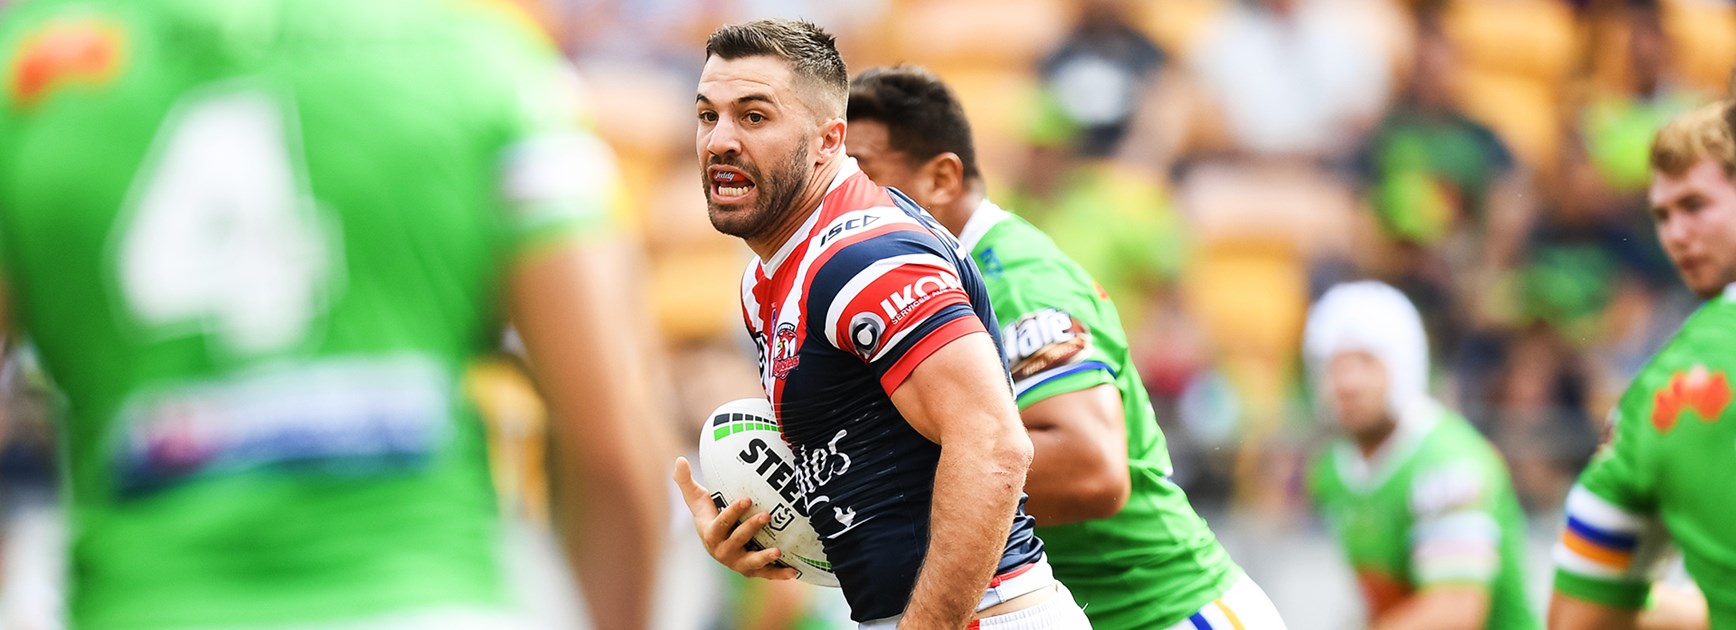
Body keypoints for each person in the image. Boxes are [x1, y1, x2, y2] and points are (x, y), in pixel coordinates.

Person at [0, 1, 668, 628]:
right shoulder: (483, 61)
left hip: (148, 605)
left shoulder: (28, 71)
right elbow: (613, 442)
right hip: (426, 599)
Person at [669, 18, 1088, 629]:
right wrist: (762, 529)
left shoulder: (866, 258)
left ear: (828, 139)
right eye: (708, 116)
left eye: (754, 117)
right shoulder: (767, 279)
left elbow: (995, 447)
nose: (720, 141)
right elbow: (865, 460)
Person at [842, 64, 1285, 630]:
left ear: (942, 179)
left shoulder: (1016, 281)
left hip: (1169, 613)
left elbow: (1090, 468)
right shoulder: (913, 284)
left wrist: (888, 483)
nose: (845, 200)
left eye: (863, 173)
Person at [1547, 102, 1736, 629]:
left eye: (1695, 205)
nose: (1676, 234)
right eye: (1662, 216)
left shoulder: (1662, 391)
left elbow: (1578, 618)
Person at [1303, 281, 1538, 629]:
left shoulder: (1450, 460)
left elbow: (1456, 612)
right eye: (1335, 366)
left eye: (1366, 362)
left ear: (1403, 363)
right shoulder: (1331, 470)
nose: (1347, 383)